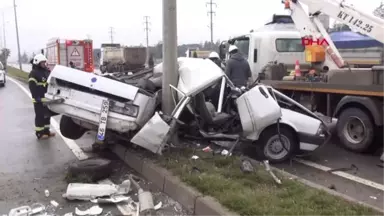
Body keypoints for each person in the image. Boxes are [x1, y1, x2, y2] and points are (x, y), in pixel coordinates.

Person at [28, 54, 56, 140]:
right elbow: (32, 86)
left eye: (45, 62)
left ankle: (46, 131)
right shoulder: (33, 73)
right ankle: (39, 133)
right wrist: (36, 97)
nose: (44, 64)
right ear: (37, 63)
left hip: (47, 99)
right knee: (40, 116)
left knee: (47, 115)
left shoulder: (46, 71)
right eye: (43, 62)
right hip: (38, 99)